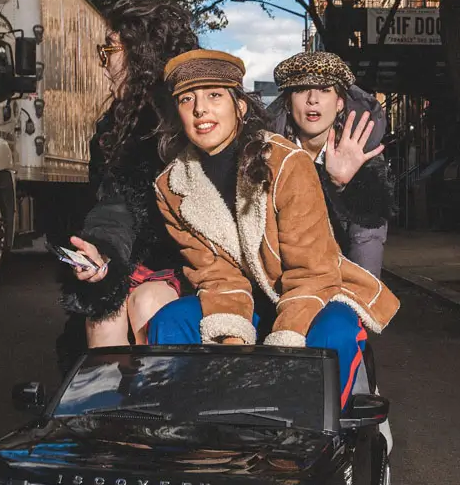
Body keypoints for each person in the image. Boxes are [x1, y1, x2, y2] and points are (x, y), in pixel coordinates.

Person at [146, 49, 400, 407]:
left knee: (336, 330)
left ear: (240, 107)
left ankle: (331, 431)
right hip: (246, 296)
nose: (200, 109)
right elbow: (214, 275)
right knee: (171, 320)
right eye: (188, 99)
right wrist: (232, 346)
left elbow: (316, 268)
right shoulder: (171, 187)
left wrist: (284, 347)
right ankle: (190, 435)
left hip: (314, 290)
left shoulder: (283, 161)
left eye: (214, 95)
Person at [61, 0, 199, 348]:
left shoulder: (190, 120)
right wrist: (102, 252)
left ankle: (157, 402)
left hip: (201, 269)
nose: (103, 64)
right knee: (103, 314)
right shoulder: (116, 127)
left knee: (148, 303)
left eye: (110, 50)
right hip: (137, 261)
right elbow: (116, 203)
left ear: (142, 55)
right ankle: (105, 403)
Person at [267, 52, 393, 277]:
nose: (312, 98)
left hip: (340, 280)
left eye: (325, 90)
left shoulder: (362, 156)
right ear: (287, 102)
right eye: (301, 89)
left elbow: (368, 238)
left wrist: (342, 187)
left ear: (339, 104)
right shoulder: (266, 156)